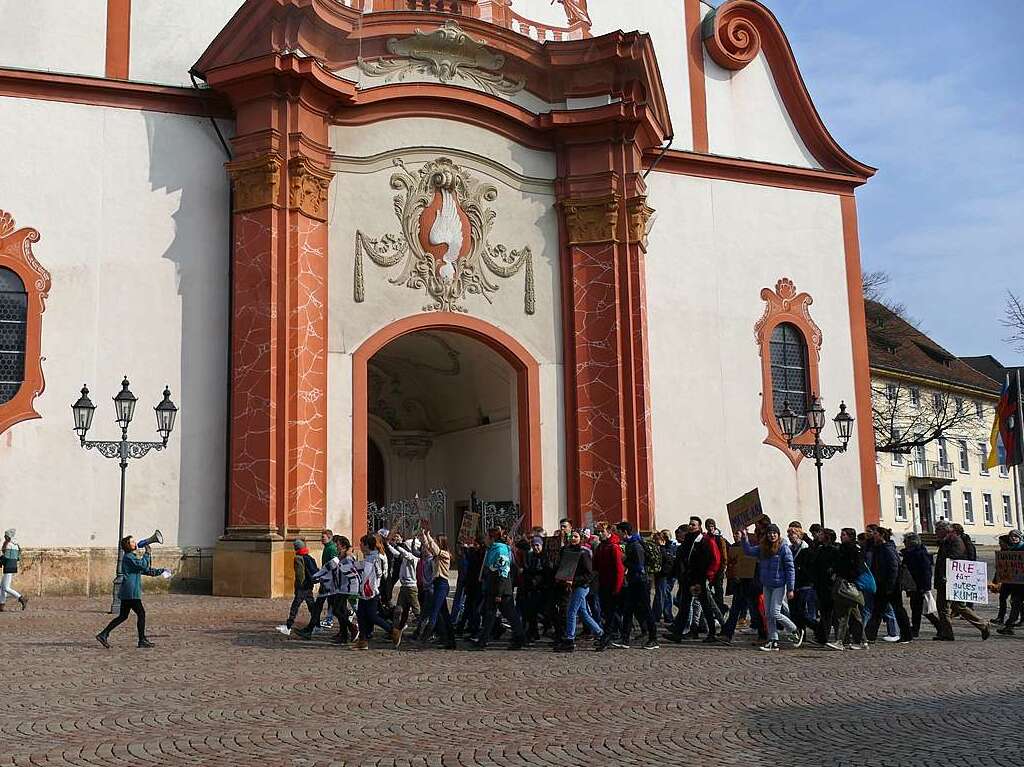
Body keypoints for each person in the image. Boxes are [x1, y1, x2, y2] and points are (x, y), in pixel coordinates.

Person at [96, 536, 171, 649]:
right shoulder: (128, 557)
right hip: (131, 592)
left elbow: (146, 569)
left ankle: (104, 634)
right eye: (132, 541)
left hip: (128, 592)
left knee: (123, 616)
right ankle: (141, 640)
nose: (135, 543)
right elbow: (142, 565)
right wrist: (147, 553)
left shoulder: (132, 558)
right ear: (127, 545)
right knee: (141, 614)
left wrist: (162, 571)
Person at [740, 523, 798, 651]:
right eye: (770, 533)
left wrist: (791, 588)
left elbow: (790, 569)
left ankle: (794, 629)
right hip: (766, 584)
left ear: (778, 535)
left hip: (779, 585)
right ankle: (773, 640)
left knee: (775, 613)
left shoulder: (784, 548)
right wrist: (744, 538)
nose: (772, 535)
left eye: (774, 533)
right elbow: (748, 551)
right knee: (768, 614)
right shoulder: (763, 548)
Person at [469, 528, 527, 650]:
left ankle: (520, 638)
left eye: (486, 537)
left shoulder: (500, 550)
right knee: (489, 615)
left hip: (501, 589)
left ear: (492, 538)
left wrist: (499, 592)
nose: (484, 539)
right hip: (492, 587)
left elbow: (503, 571)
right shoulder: (491, 549)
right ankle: (483, 641)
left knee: (510, 615)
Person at [933, 521, 990, 642]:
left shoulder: (955, 541)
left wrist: (945, 574)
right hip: (946, 579)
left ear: (945, 530)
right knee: (954, 607)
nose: (935, 532)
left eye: (938, 530)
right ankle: (980, 625)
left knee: (949, 607)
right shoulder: (946, 541)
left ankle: (980, 624)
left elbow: (956, 558)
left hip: (950, 579)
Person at [555, 531, 608, 652]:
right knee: (583, 612)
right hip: (573, 585)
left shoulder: (583, 553)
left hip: (582, 586)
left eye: (576, 536)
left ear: (581, 538)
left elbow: (589, 574)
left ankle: (570, 639)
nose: (573, 538)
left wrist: (572, 581)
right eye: (571, 536)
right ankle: (600, 633)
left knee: (571, 611)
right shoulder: (567, 551)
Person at [613, 522, 659, 650]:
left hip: (641, 582)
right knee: (628, 610)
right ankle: (625, 639)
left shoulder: (636, 546)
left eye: (619, 532)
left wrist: (624, 560)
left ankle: (653, 639)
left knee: (646, 610)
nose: (618, 534)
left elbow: (639, 566)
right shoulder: (630, 544)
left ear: (625, 532)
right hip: (633, 581)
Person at [863, 527, 913, 643]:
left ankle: (906, 635)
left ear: (881, 535)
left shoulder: (887, 549)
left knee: (897, 610)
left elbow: (894, 568)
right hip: (881, 584)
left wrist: (890, 585)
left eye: (875, 534)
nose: (873, 536)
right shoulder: (878, 548)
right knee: (878, 611)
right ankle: (869, 636)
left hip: (890, 586)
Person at [353, 534, 402, 650]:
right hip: (366, 591)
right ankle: (363, 640)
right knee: (361, 615)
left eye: (361, 543)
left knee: (372, 616)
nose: (360, 546)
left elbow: (368, 575)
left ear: (366, 545)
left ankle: (393, 630)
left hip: (370, 591)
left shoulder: (374, 558)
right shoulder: (370, 556)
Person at [827, 528, 867, 651]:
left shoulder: (853, 549)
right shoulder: (843, 548)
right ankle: (861, 641)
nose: (841, 536)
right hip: (842, 584)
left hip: (847, 586)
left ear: (850, 536)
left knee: (845, 614)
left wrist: (849, 578)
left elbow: (857, 567)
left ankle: (843, 641)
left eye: (844, 535)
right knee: (850, 614)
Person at [420, 527, 456, 649]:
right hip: (437, 584)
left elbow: (434, 549)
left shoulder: (445, 554)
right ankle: (450, 639)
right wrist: (424, 534)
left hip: (442, 584)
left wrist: (429, 536)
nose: (434, 542)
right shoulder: (436, 554)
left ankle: (425, 636)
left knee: (434, 612)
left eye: (436, 541)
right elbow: (428, 546)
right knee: (444, 614)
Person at [900, 532, 941, 638]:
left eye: (905, 541)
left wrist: (925, 587)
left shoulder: (920, 554)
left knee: (922, 609)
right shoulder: (910, 553)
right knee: (917, 608)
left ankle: (938, 627)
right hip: (913, 585)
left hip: (919, 585)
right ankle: (917, 628)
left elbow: (926, 572)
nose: (904, 543)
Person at [593, 523, 625, 642]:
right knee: (607, 611)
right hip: (603, 582)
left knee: (611, 611)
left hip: (612, 584)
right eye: (598, 532)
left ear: (608, 532)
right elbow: (596, 565)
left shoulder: (613, 547)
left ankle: (610, 635)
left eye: (602, 531)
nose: (599, 534)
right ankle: (617, 632)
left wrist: (617, 588)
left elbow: (619, 569)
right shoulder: (601, 546)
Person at [385, 532, 421, 636]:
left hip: (411, 588)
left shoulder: (413, 558)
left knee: (416, 611)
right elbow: (397, 554)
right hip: (404, 587)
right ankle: (397, 630)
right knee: (399, 610)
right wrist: (388, 545)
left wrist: (397, 545)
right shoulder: (405, 557)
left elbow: (405, 553)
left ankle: (423, 630)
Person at [279, 539, 318, 634]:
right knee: (312, 606)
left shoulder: (298, 558)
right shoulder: (309, 557)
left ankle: (288, 626)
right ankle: (317, 625)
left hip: (302, 587)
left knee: (295, 606)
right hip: (309, 585)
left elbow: (300, 574)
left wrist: (299, 586)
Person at [809, 528, 838, 646]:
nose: (819, 535)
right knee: (824, 612)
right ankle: (822, 637)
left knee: (832, 613)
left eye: (821, 534)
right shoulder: (820, 549)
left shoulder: (834, 550)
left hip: (829, 585)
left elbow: (836, 566)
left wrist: (832, 574)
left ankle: (837, 637)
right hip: (820, 585)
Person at [522, 536, 554, 641]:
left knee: (544, 612)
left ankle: (547, 628)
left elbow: (548, 572)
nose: (535, 547)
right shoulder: (531, 556)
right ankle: (533, 632)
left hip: (543, 588)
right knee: (531, 612)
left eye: (537, 545)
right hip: (533, 588)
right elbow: (528, 570)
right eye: (534, 545)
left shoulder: (546, 557)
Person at [996, 530, 1024, 636]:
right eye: (1011, 537)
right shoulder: (1010, 549)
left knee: (1016, 603)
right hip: (1016, 583)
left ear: (1019, 537)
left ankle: (1010, 625)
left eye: (1015, 536)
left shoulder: (1022, 547)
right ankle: (1009, 626)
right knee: (1015, 603)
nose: (1013, 538)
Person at [651, 530, 677, 624]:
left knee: (661, 595)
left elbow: (668, 559)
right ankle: (667, 615)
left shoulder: (669, 547)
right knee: (665, 595)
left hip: (665, 574)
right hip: (664, 574)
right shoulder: (665, 547)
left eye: (657, 540)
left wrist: (661, 548)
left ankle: (656, 615)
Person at [0, 529, 28, 611]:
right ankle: (1, 605)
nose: (4, 537)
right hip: (12, 567)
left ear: (9, 536)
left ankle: (21, 598)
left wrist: (1, 561)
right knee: (2, 587)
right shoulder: (16, 545)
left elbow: (6, 557)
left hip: (8, 567)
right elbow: (18, 558)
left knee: (5, 588)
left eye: (5, 536)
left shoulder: (9, 545)